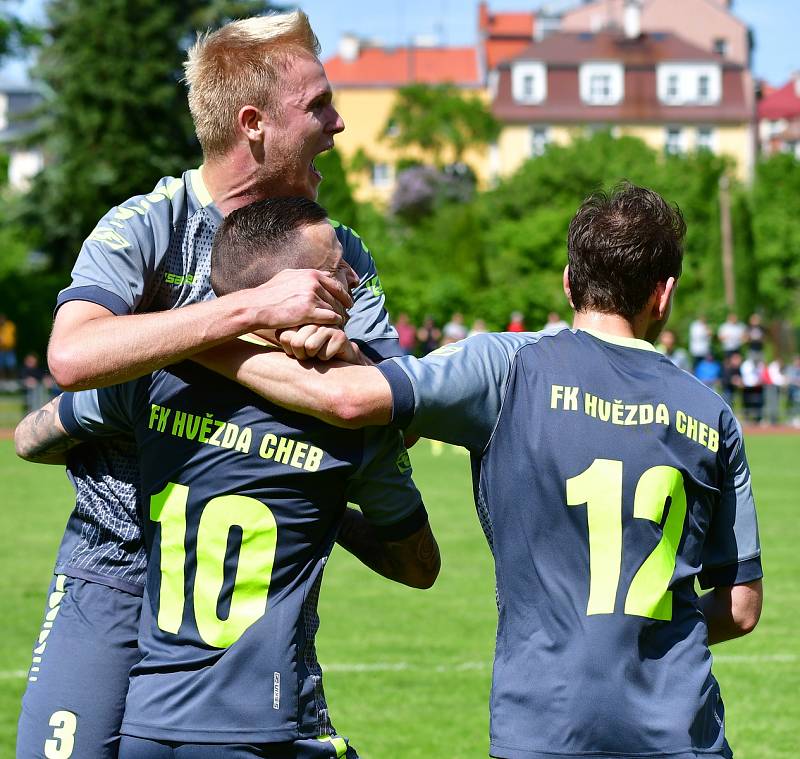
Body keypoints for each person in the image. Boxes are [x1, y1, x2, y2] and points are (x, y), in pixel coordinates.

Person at [197, 184, 763, 759]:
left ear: (569, 281)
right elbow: (740, 609)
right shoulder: (710, 414)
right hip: (683, 732)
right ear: (664, 295)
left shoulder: (508, 366)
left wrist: (190, 342)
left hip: (546, 727)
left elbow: (350, 399)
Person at [17, 11, 403, 759]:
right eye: (318, 105)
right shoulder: (146, 224)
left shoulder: (339, 247)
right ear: (254, 124)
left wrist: (172, 347)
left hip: (247, 587)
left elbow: (383, 399)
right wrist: (257, 311)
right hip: (112, 563)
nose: (340, 123)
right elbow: (73, 354)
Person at [15, 197, 440, 759]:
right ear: (289, 289)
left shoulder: (148, 383)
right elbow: (418, 566)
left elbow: (31, 437)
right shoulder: (352, 424)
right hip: (267, 726)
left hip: (148, 723)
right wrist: (330, 509)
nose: (354, 277)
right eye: (336, 269)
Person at [0, 312, 17, 379]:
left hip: (9, 349)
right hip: (1, 349)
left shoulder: (10, 325)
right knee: (1, 366)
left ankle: (12, 379)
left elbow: (11, 337)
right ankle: (2, 380)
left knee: (11, 365)